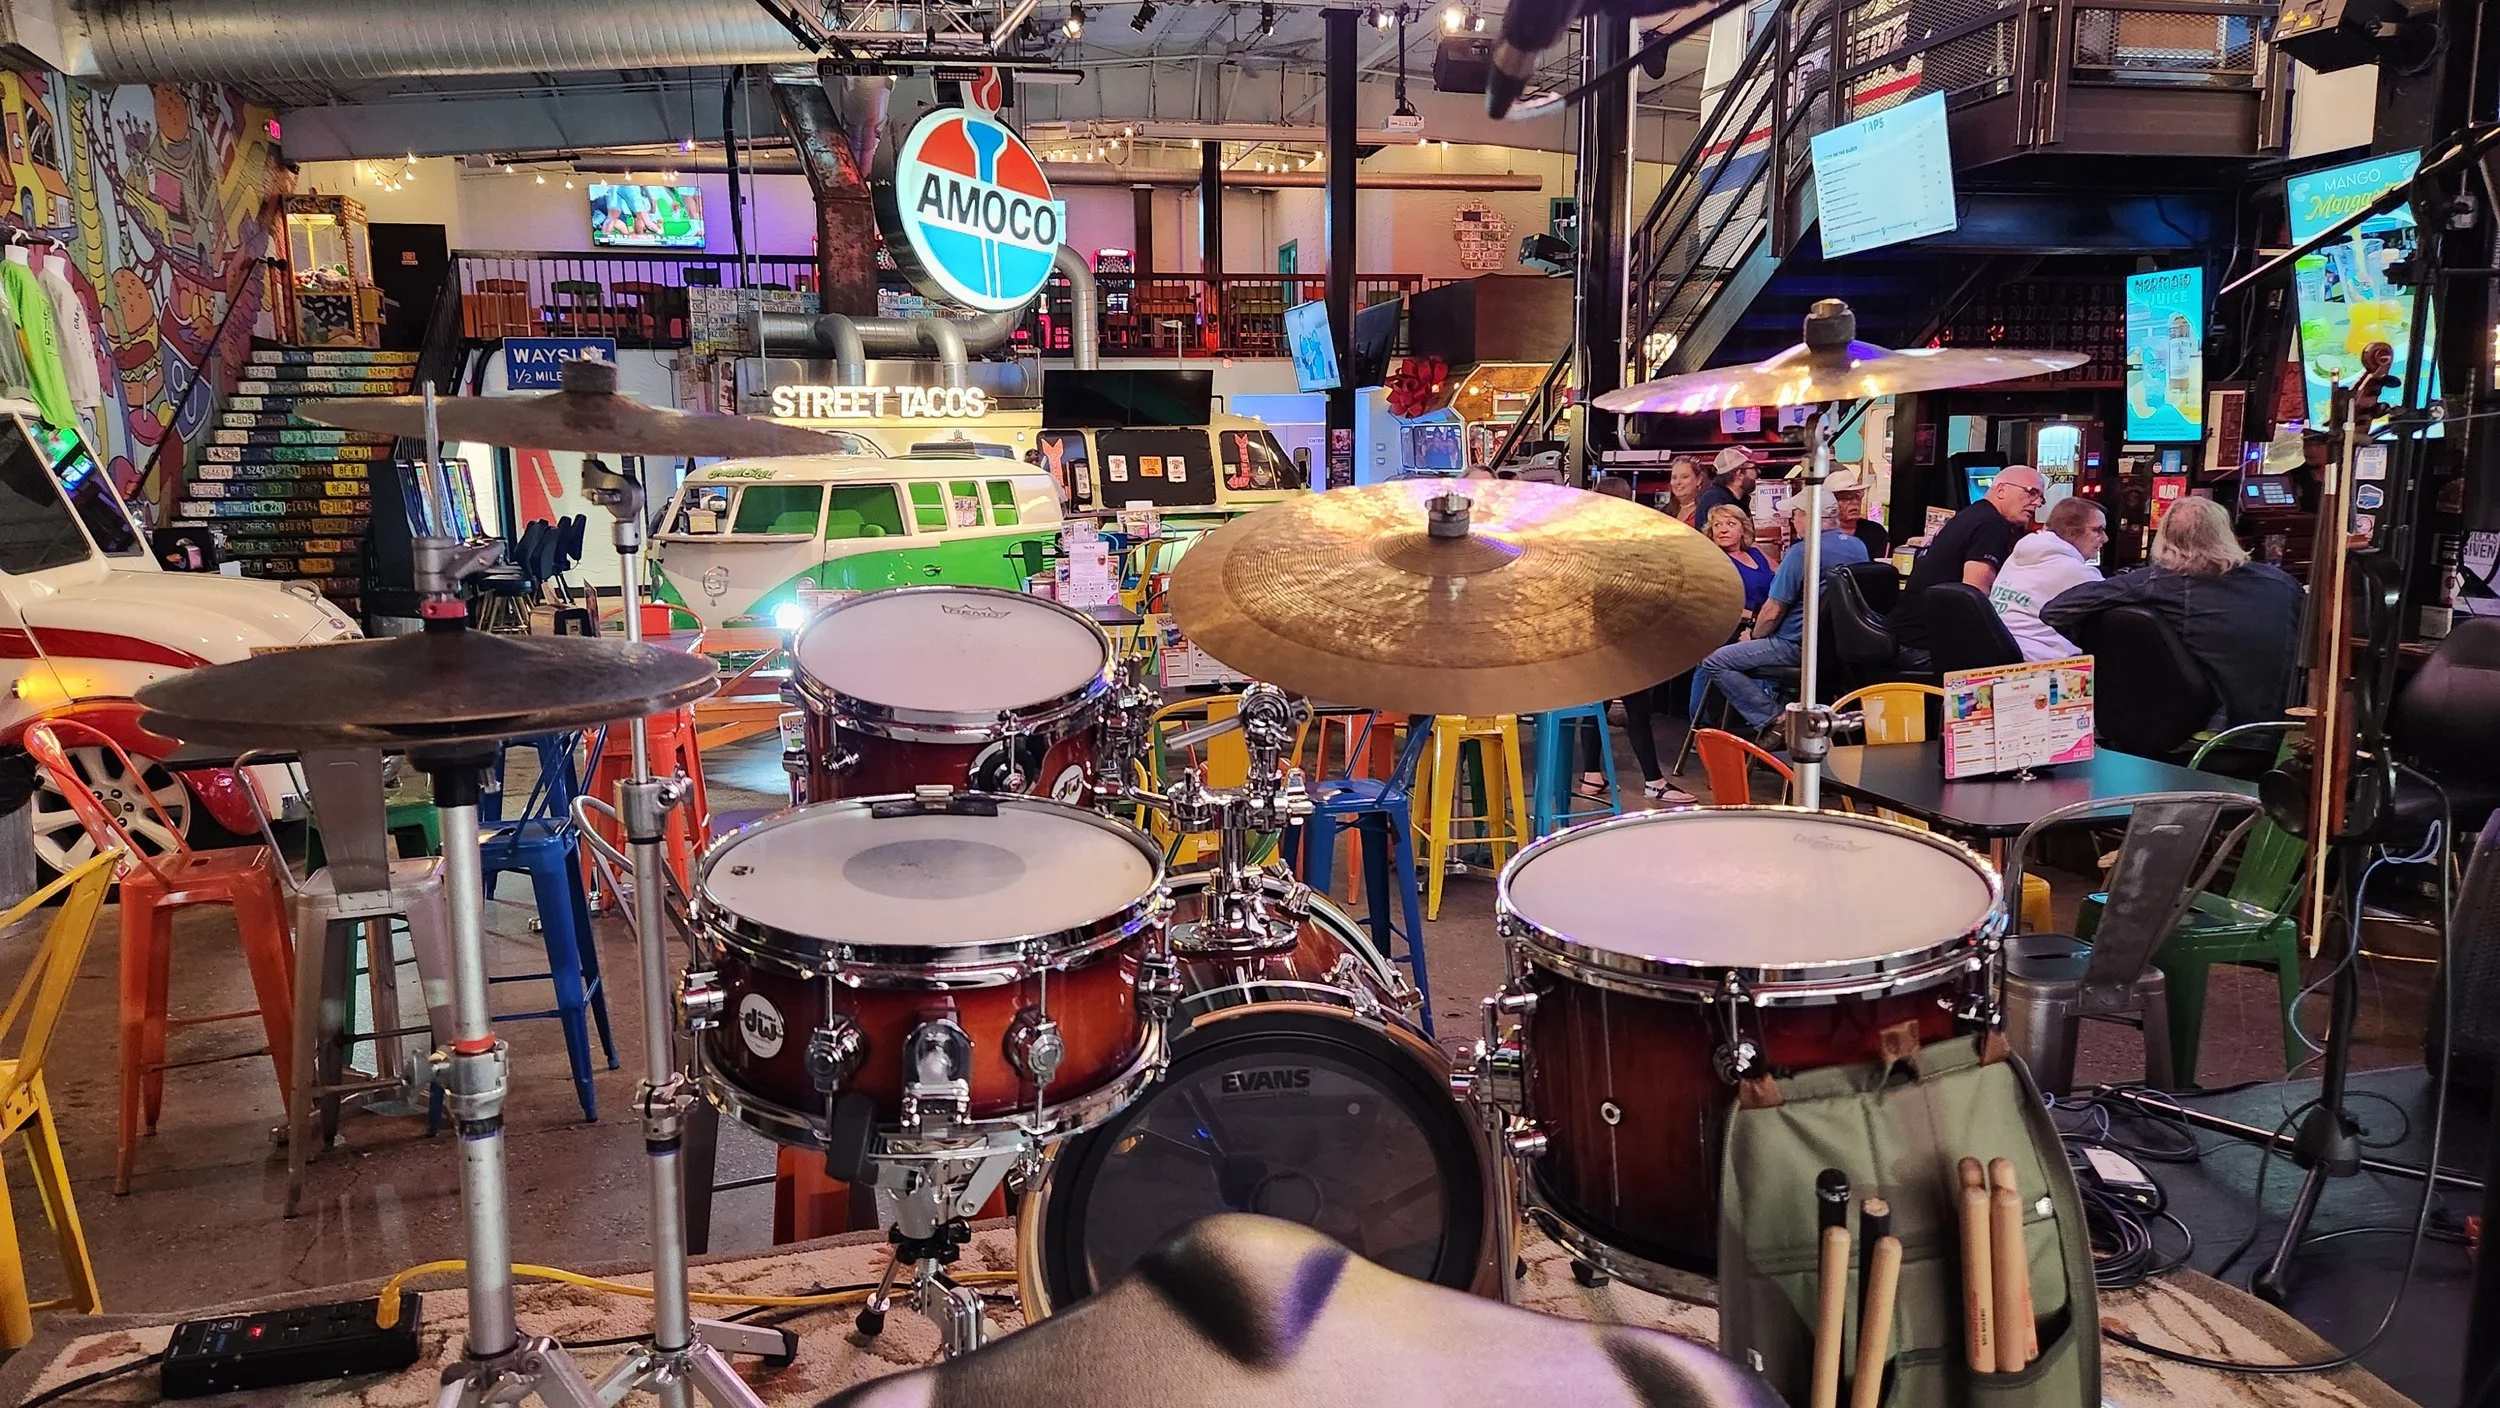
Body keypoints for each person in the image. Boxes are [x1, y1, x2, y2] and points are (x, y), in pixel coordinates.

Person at [2042, 495, 2303, 730]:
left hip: (2205, 733)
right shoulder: (2283, 584)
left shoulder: (2158, 581)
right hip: (2282, 732)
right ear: (2226, 533)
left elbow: (2056, 611)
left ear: (2165, 537)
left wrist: (2117, 649)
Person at [1695, 496, 1869, 747]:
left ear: (1809, 517)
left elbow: (1773, 611)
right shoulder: (1857, 547)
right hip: (1838, 649)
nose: (1793, 521)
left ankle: (1777, 717)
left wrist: (1754, 635)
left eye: (1796, 515)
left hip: (1794, 645)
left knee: (1714, 660)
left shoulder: (1802, 551)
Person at [1889, 463, 2044, 651]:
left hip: (1906, 633)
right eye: (2031, 492)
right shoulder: (1991, 525)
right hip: (1926, 644)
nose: (2036, 502)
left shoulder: (1971, 515)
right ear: (2001, 490)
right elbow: (1973, 596)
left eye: (2040, 498)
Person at [1989, 496, 2107, 661]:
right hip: (2042, 665)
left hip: (2002, 655)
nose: (2105, 538)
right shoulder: (2073, 571)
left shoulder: (2020, 554)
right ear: (2072, 532)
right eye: (2098, 529)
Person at [1692, 445, 1758, 520]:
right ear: (1739, 474)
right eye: (1753, 468)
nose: (1757, 472)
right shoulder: (1716, 502)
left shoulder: (1740, 499)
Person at [1663, 456, 1709, 524]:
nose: (1678, 482)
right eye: (1674, 477)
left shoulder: (1707, 510)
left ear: (1699, 479)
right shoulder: (1666, 511)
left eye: (1684, 477)